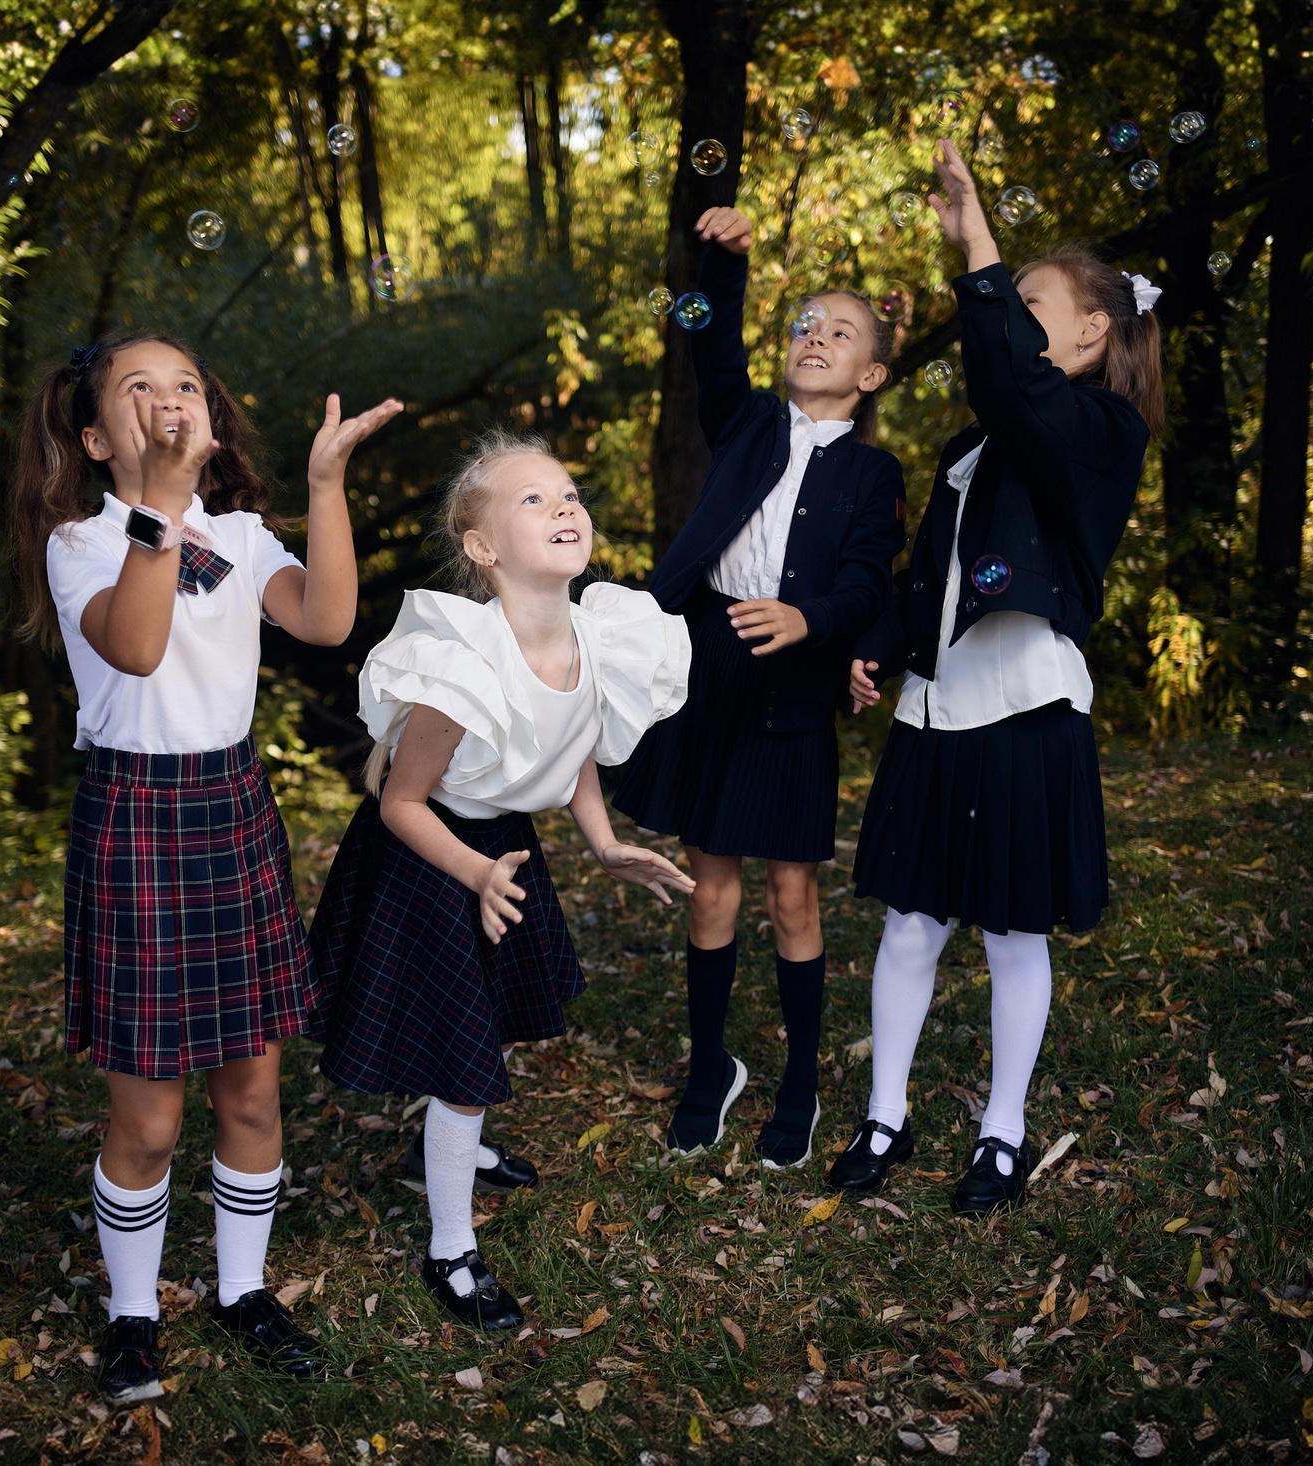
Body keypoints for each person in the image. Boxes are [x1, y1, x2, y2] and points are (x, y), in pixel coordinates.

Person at [7, 332, 400, 1400]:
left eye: (184, 382)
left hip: (231, 807)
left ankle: (243, 1289)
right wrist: (160, 512)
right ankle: (132, 1313)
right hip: (135, 815)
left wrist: (325, 486)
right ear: (97, 439)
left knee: (255, 1093)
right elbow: (135, 646)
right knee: (147, 1116)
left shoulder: (239, 533)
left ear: (210, 418)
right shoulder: (85, 542)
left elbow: (326, 618)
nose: (167, 397)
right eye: (139, 388)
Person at [831, 140, 1163, 1213]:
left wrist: (974, 236)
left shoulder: (1102, 431)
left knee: (1010, 930)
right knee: (911, 924)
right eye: (1007, 299)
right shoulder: (976, 446)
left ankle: (1003, 1133)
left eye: (1031, 299)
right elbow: (928, 577)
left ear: (1090, 331)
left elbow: (1017, 387)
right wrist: (876, 648)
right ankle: (886, 1114)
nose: (1013, 318)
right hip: (937, 709)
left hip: (1025, 708)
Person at [308, 432, 694, 1332]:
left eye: (568, 492)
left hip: (501, 850)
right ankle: (451, 1250)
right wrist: (476, 870)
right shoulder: (459, 660)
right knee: (464, 1060)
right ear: (481, 550)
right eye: (532, 500)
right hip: (432, 856)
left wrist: (601, 844)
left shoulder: (597, 634)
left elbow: (578, 750)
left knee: (486, 1027)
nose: (563, 506)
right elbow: (403, 802)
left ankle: (452, 1146)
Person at [610, 205, 908, 1169]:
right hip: (709, 664)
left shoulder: (874, 472)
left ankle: (804, 1082)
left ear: (872, 376)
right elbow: (713, 349)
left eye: (841, 330)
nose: (815, 335)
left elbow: (869, 584)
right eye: (806, 322)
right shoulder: (743, 423)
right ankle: (711, 1070)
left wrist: (809, 620)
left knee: (792, 894)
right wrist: (723, 263)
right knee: (711, 881)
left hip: (794, 682)